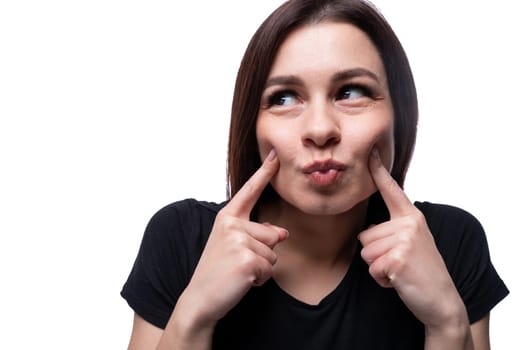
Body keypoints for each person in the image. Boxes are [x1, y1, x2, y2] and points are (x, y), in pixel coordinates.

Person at [121, 0, 509, 349]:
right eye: (284, 98)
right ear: (251, 126)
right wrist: (192, 317)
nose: (320, 129)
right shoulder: (180, 237)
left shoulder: (452, 240)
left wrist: (447, 322)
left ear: (400, 116)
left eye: (351, 92)